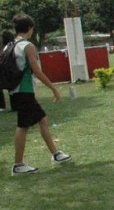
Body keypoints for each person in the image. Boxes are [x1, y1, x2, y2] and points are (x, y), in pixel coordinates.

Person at [9, 14, 72, 176]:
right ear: (29, 28)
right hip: (24, 90)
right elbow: (37, 71)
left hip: (15, 90)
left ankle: (55, 154)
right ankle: (18, 165)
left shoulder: (10, 45)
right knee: (23, 126)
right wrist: (53, 88)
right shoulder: (27, 46)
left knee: (42, 119)